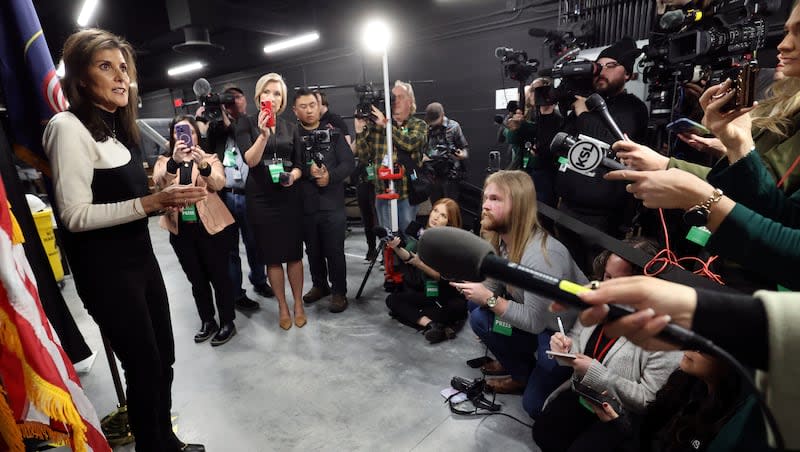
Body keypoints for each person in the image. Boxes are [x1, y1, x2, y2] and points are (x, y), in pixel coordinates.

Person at [43, 28, 206, 452]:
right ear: (80, 78)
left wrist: (168, 194)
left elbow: (131, 201)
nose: (120, 77)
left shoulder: (117, 132)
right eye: (105, 67)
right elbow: (74, 217)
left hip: (142, 263)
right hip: (107, 275)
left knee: (164, 360)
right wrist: (151, 203)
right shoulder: (67, 128)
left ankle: (166, 440)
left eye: (123, 68)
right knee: (144, 367)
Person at [572, 276, 799, 450]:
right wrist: (617, 425)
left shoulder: (732, 423)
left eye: (704, 343)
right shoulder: (684, 383)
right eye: (693, 334)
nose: (690, 345)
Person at [450, 170, 587, 417]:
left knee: (534, 407)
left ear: (519, 207)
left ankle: (544, 373)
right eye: (485, 198)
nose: (485, 206)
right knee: (478, 314)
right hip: (537, 319)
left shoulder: (542, 256)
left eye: (495, 199)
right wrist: (470, 284)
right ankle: (520, 373)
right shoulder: (500, 241)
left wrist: (489, 299)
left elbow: (535, 323)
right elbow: (491, 287)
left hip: (562, 334)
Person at [532, 239, 682, 452]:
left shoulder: (663, 333)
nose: (608, 287)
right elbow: (576, 339)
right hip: (583, 395)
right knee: (542, 433)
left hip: (617, 417)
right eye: (607, 276)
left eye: (619, 281)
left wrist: (596, 373)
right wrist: (565, 350)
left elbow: (648, 400)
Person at [544, 36, 649, 274]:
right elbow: (556, 144)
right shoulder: (584, 104)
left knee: (596, 275)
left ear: (627, 74)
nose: (602, 71)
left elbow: (612, 142)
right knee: (566, 272)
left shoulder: (632, 108)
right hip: (567, 208)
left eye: (612, 66)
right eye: (600, 66)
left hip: (602, 217)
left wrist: (582, 114)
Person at [153, 115, 237, 346]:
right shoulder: (165, 161)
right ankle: (208, 320)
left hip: (211, 229)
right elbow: (160, 183)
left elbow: (219, 183)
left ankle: (228, 321)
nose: (185, 136)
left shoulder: (210, 158)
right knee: (196, 280)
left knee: (219, 277)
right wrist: (174, 162)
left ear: (196, 135)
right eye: (179, 131)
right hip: (181, 231)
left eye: (189, 131)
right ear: (172, 136)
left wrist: (203, 166)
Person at [244, 73, 306, 330]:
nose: (271, 97)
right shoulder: (245, 124)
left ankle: (298, 304)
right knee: (272, 257)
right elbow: (250, 160)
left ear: (282, 100)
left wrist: (292, 175)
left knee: (293, 255)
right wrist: (263, 135)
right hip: (260, 199)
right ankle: (282, 305)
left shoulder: (292, 128)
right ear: (259, 97)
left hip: (288, 197)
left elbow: (300, 165)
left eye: (277, 93)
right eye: (267, 92)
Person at [205, 83, 273, 312]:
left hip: (250, 195)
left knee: (255, 244)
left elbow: (240, 130)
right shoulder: (217, 127)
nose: (232, 101)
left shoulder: (253, 122)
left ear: (246, 100)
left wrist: (230, 115)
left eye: (236, 97)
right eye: (228, 98)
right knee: (230, 249)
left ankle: (260, 281)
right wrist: (218, 111)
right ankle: (237, 294)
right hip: (226, 196)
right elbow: (212, 137)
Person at [293, 88, 355, 313]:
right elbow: (292, 167)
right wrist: (309, 173)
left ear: (319, 106)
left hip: (332, 204)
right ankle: (320, 286)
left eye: (312, 105)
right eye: (303, 106)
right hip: (305, 205)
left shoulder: (334, 133)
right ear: (295, 110)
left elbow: (349, 163)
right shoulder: (291, 136)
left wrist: (330, 177)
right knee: (313, 250)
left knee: (335, 250)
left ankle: (339, 292)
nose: (309, 110)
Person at [384, 198, 468, 343]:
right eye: (435, 211)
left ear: (449, 222)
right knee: (392, 300)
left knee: (456, 308)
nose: (435, 217)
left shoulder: (453, 244)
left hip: (447, 295)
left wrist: (419, 263)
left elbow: (442, 278)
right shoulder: (421, 234)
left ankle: (428, 322)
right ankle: (432, 325)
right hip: (426, 293)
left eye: (443, 216)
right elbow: (408, 256)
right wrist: (396, 247)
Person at [355, 80, 427, 233]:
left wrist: (386, 126)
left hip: (406, 194)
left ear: (410, 101)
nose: (395, 101)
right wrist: (360, 131)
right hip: (382, 193)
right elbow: (364, 156)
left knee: (408, 238)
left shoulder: (418, 125)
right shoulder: (377, 127)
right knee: (387, 239)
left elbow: (409, 143)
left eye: (400, 96)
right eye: (393, 97)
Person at [504, 77, 562, 207]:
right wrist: (515, 127)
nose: (535, 94)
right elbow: (512, 140)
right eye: (533, 90)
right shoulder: (526, 117)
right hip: (524, 171)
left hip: (548, 175)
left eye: (540, 90)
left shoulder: (559, 119)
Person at [423, 102, 469, 204]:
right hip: (434, 175)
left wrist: (461, 155)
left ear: (442, 115)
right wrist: (424, 157)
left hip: (451, 175)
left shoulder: (453, 127)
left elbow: (464, 149)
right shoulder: (427, 128)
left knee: (450, 207)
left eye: (436, 120)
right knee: (436, 206)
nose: (433, 124)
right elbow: (423, 149)